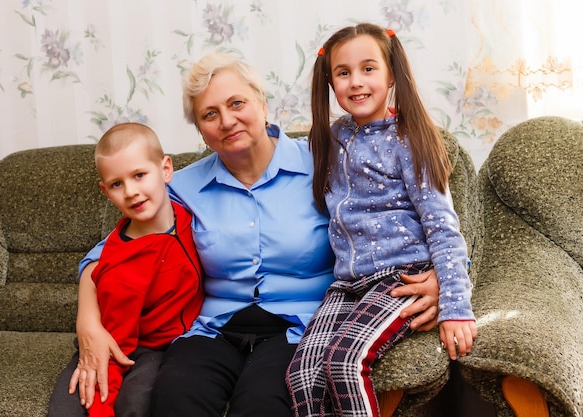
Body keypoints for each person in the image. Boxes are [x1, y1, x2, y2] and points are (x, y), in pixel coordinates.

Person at [65, 52, 442, 417]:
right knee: (175, 397)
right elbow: (106, 253)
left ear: (262, 102)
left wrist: (439, 277)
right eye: (209, 114)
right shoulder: (181, 185)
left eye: (236, 103)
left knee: (265, 405)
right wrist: (88, 323)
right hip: (212, 328)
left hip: (300, 327)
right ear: (199, 129)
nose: (227, 121)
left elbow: (401, 215)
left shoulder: (326, 161)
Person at [286, 23, 478, 417]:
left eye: (368, 68)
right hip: (346, 284)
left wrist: (456, 305)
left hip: (400, 276)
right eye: (343, 72)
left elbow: (443, 226)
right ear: (330, 81)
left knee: (344, 362)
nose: (356, 82)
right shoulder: (331, 137)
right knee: (302, 373)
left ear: (391, 74)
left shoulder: (409, 138)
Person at [47, 122, 203, 417]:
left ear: (166, 169)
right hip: (126, 346)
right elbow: (113, 350)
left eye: (139, 175)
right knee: (89, 400)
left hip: (173, 346)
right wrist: (101, 405)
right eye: (117, 184)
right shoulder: (120, 261)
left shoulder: (190, 216)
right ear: (106, 192)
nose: (131, 191)